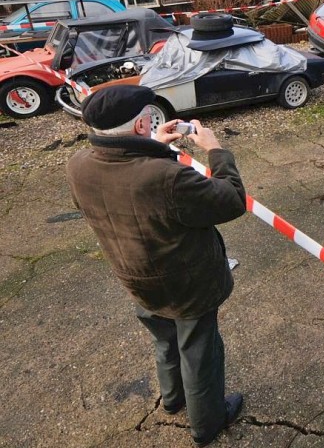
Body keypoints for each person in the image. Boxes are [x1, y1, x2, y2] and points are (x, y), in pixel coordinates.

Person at [66, 85, 246, 446]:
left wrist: (158, 147)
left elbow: (131, 183)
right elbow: (231, 199)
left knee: (164, 341)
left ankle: (172, 399)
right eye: (148, 119)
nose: (152, 122)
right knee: (199, 353)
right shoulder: (168, 178)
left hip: (136, 277)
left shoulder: (79, 166)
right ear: (137, 128)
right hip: (187, 283)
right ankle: (207, 423)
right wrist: (215, 150)